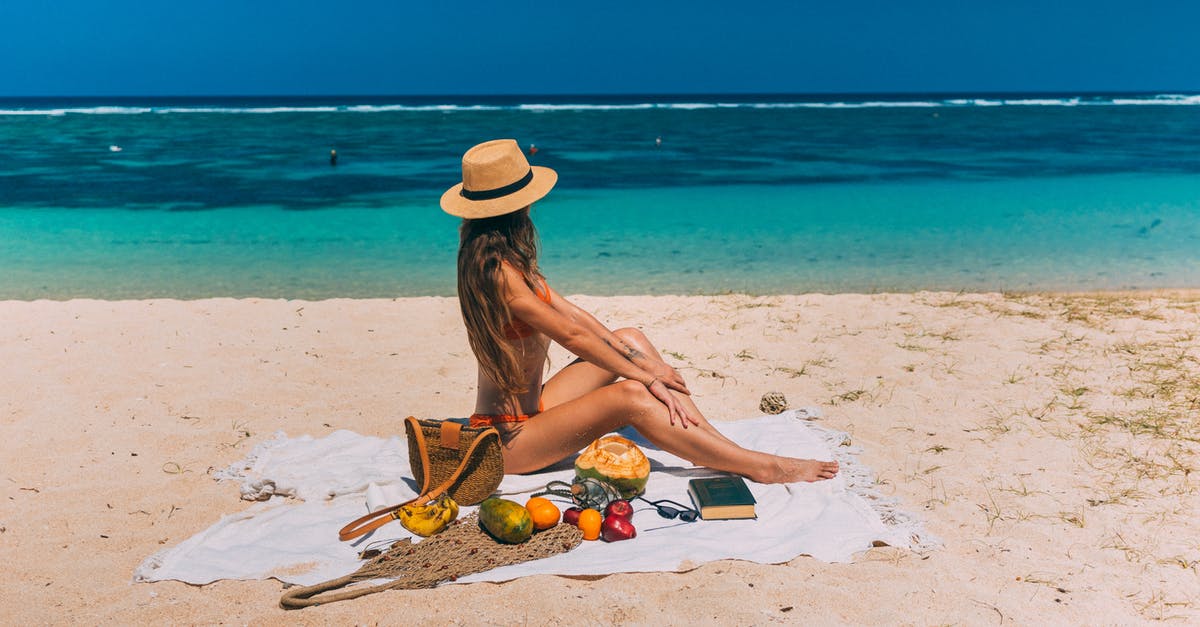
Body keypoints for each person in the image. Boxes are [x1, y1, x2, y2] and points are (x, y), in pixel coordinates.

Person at [440, 139, 838, 484]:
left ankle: (711, 445)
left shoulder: (504, 258)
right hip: (507, 439)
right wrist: (646, 374)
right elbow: (572, 337)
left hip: (535, 411)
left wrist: (642, 361)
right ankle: (760, 466)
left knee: (631, 338)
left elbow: (575, 316)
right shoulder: (495, 274)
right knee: (631, 394)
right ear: (519, 204)